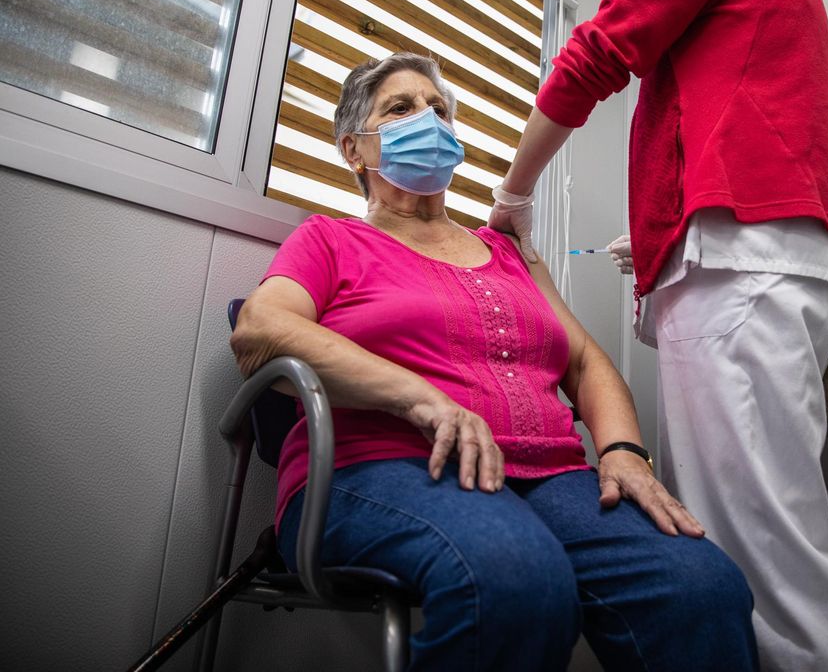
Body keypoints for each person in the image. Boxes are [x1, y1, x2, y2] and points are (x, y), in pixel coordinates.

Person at [230, 52, 758, 672]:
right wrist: (417, 396)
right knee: (517, 577)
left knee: (703, 587)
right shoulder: (331, 240)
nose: (430, 119)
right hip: (378, 468)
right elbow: (260, 330)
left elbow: (585, 363)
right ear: (354, 149)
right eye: (401, 108)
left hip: (552, 480)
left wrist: (622, 452)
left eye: (439, 110)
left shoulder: (508, 252)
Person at [488, 0, 828, 672]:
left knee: (758, 549)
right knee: (763, 525)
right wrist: (661, 237)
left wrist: (513, 195)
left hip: (743, 271)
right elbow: (746, 134)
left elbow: (594, 52)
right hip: (772, 262)